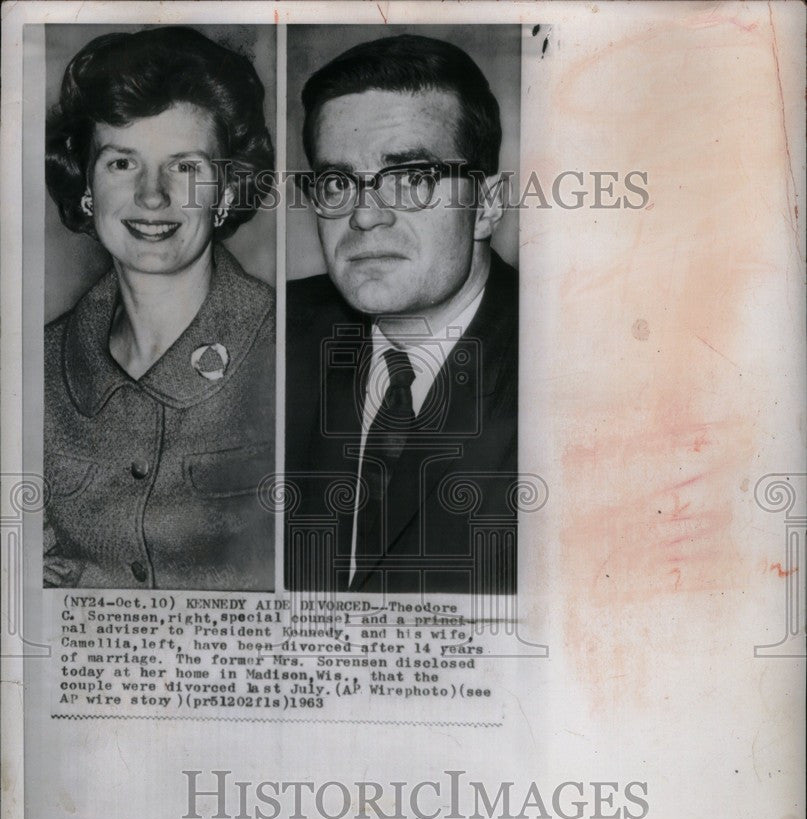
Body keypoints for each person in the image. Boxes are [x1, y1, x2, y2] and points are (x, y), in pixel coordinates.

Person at [285, 33, 518, 595]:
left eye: (412, 179)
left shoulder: (568, 367)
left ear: (485, 205)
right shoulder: (273, 334)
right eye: (338, 182)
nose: (365, 216)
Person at [44, 26, 276, 589]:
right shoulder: (40, 366)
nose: (152, 196)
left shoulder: (288, 346)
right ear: (87, 187)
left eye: (185, 166)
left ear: (224, 191)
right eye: (122, 164)